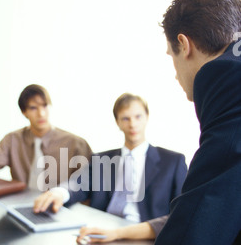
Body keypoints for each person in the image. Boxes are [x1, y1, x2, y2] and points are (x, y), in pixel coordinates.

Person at [68, 0, 241, 245]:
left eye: (171, 57)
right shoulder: (103, 159)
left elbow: (198, 221)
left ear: (185, 45)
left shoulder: (228, 84)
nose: (177, 75)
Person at [33, 94, 187, 226]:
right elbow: (77, 183)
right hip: (102, 230)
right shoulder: (101, 159)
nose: (132, 124)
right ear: (118, 123)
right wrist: (59, 193)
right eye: (125, 118)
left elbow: (183, 212)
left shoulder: (173, 162)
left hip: (145, 236)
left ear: (147, 117)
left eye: (138, 117)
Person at [0, 84, 92, 193]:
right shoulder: (13, 140)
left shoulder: (76, 144)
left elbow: (90, 182)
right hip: (22, 205)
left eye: (45, 106)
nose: (41, 113)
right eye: (33, 108)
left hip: (61, 207)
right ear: (24, 112)